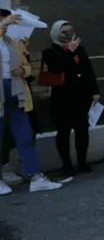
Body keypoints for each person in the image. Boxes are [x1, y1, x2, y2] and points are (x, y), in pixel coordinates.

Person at [0, 11, 64, 193]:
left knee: (25, 136)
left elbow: (29, 69)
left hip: (15, 91)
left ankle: (35, 177)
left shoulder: (12, 43)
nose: (6, 24)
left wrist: (22, 70)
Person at [42, 20, 101, 175]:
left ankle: (82, 162)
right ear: (56, 33)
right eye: (63, 32)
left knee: (82, 131)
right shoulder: (51, 51)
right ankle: (66, 164)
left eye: (69, 31)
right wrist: (70, 52)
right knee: (63, 132)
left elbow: (88, 70)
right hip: (62, 98)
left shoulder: (79, 49)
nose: (67, 35)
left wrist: (94, 91)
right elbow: (58, 69)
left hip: (81, 97)